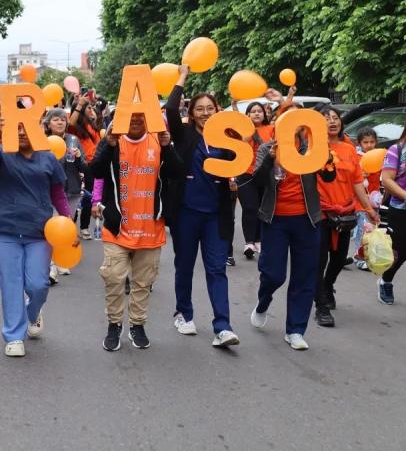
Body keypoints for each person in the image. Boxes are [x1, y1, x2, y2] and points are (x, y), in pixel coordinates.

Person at [0, 109, 71, 357]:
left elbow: (58, 193)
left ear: (37, 129)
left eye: (25, 128)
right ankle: (14, 336)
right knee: (11, 283)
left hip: (39, 231)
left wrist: (67, 220)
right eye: (16, 128)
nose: (21, 132)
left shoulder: (47, 157)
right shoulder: (2, 152)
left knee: (38, 284)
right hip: (6, 230)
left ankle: (33, 312)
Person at [90, 113, 182, 351]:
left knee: (143, 282)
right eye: (131, 115)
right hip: (117, 227)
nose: (136, 119)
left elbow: (177, 173)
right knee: (114, 278)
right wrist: (107, 144)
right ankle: (114, 324)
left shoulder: (159, 140)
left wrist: (168, 147)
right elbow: (95, 171)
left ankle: (137, 325)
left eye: (141, 115)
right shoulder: (113, 140)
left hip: (150, 228)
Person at [250, 102, 337, 350]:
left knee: (305, 275)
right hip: (275, 219)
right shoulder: (267, 147)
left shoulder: (313, 148)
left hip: (308, 220)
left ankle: (296, 330)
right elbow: (257, 180)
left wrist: (328, 160)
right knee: (273, 274)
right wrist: (270, 159)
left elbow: (329, 176)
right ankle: (263, 302)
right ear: (280, 122)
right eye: (288, 118)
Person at [165, 65, 240, 347]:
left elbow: (237, 165)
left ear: (217, 110)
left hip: (216, 215)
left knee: (217, 269)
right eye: (200, 109)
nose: (206, 113)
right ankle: (183, 314)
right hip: (186, 213)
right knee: (184, 265)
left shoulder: (226, 138)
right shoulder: (184, 134)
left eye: (210, 108)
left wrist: (234, 180)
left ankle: (223, 327)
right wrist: (182, 77)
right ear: (192, 113)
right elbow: (170, 110)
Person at [313, 106, 378, 327]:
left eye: (335, 118)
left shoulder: (349, 149)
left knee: (339, 258)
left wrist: (369, 209)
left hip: (346, 211)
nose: (332, 121)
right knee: (319, 260)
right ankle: (321, 306)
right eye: (326, 118)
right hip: (320, 212)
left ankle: (327, 286)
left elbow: (357, 181)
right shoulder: (311, 148)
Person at [45, 107, 87, 280]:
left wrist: (78, 157)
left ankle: (62, 260)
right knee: (52, 225)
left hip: (72, 190)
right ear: (48, 124)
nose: (60, 122)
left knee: (66, 227)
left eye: (62, 119)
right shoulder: (43, 141)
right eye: (55, 119)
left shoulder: (73, 140)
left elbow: (85, 167)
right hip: (50, 191)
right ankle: (51, 266)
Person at [379, 109, 406, 304]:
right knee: (401, 252)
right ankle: (386, 280)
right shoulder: (398, 150)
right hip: (403, 210)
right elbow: (387, 179)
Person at [234, 101, 274, 259]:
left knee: (262, 208)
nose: (257, 113)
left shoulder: (271, 129)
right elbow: (239, 146)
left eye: (259, 111)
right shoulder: (244, 130)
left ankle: (259, 240)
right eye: (253, 111)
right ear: (248, 115)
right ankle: (249, 242)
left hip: (264, 174)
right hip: (246, 174)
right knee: (250, 208)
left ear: (264, 114)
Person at [68, 91, 102, 239]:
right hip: (81, 165)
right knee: (77, 197)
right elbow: (71, 122)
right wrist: (80, 104)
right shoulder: (75, 126)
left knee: (89, 197)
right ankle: (70, 227)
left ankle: (84, 228)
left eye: (92, 107)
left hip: (93, 165)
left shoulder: (92, 125)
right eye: (88, 108)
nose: (91, 110)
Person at [352, 127, 381, 270]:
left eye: (372, 142)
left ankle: (367, 256)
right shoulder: (356, 157)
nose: (369, 145)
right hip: (360, 201)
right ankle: (359, 258)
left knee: (372, 230)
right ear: (359, 143)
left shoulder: (379, 157)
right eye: (365, 142)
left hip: (374, 199)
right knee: (363, 229)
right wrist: (361, 174)